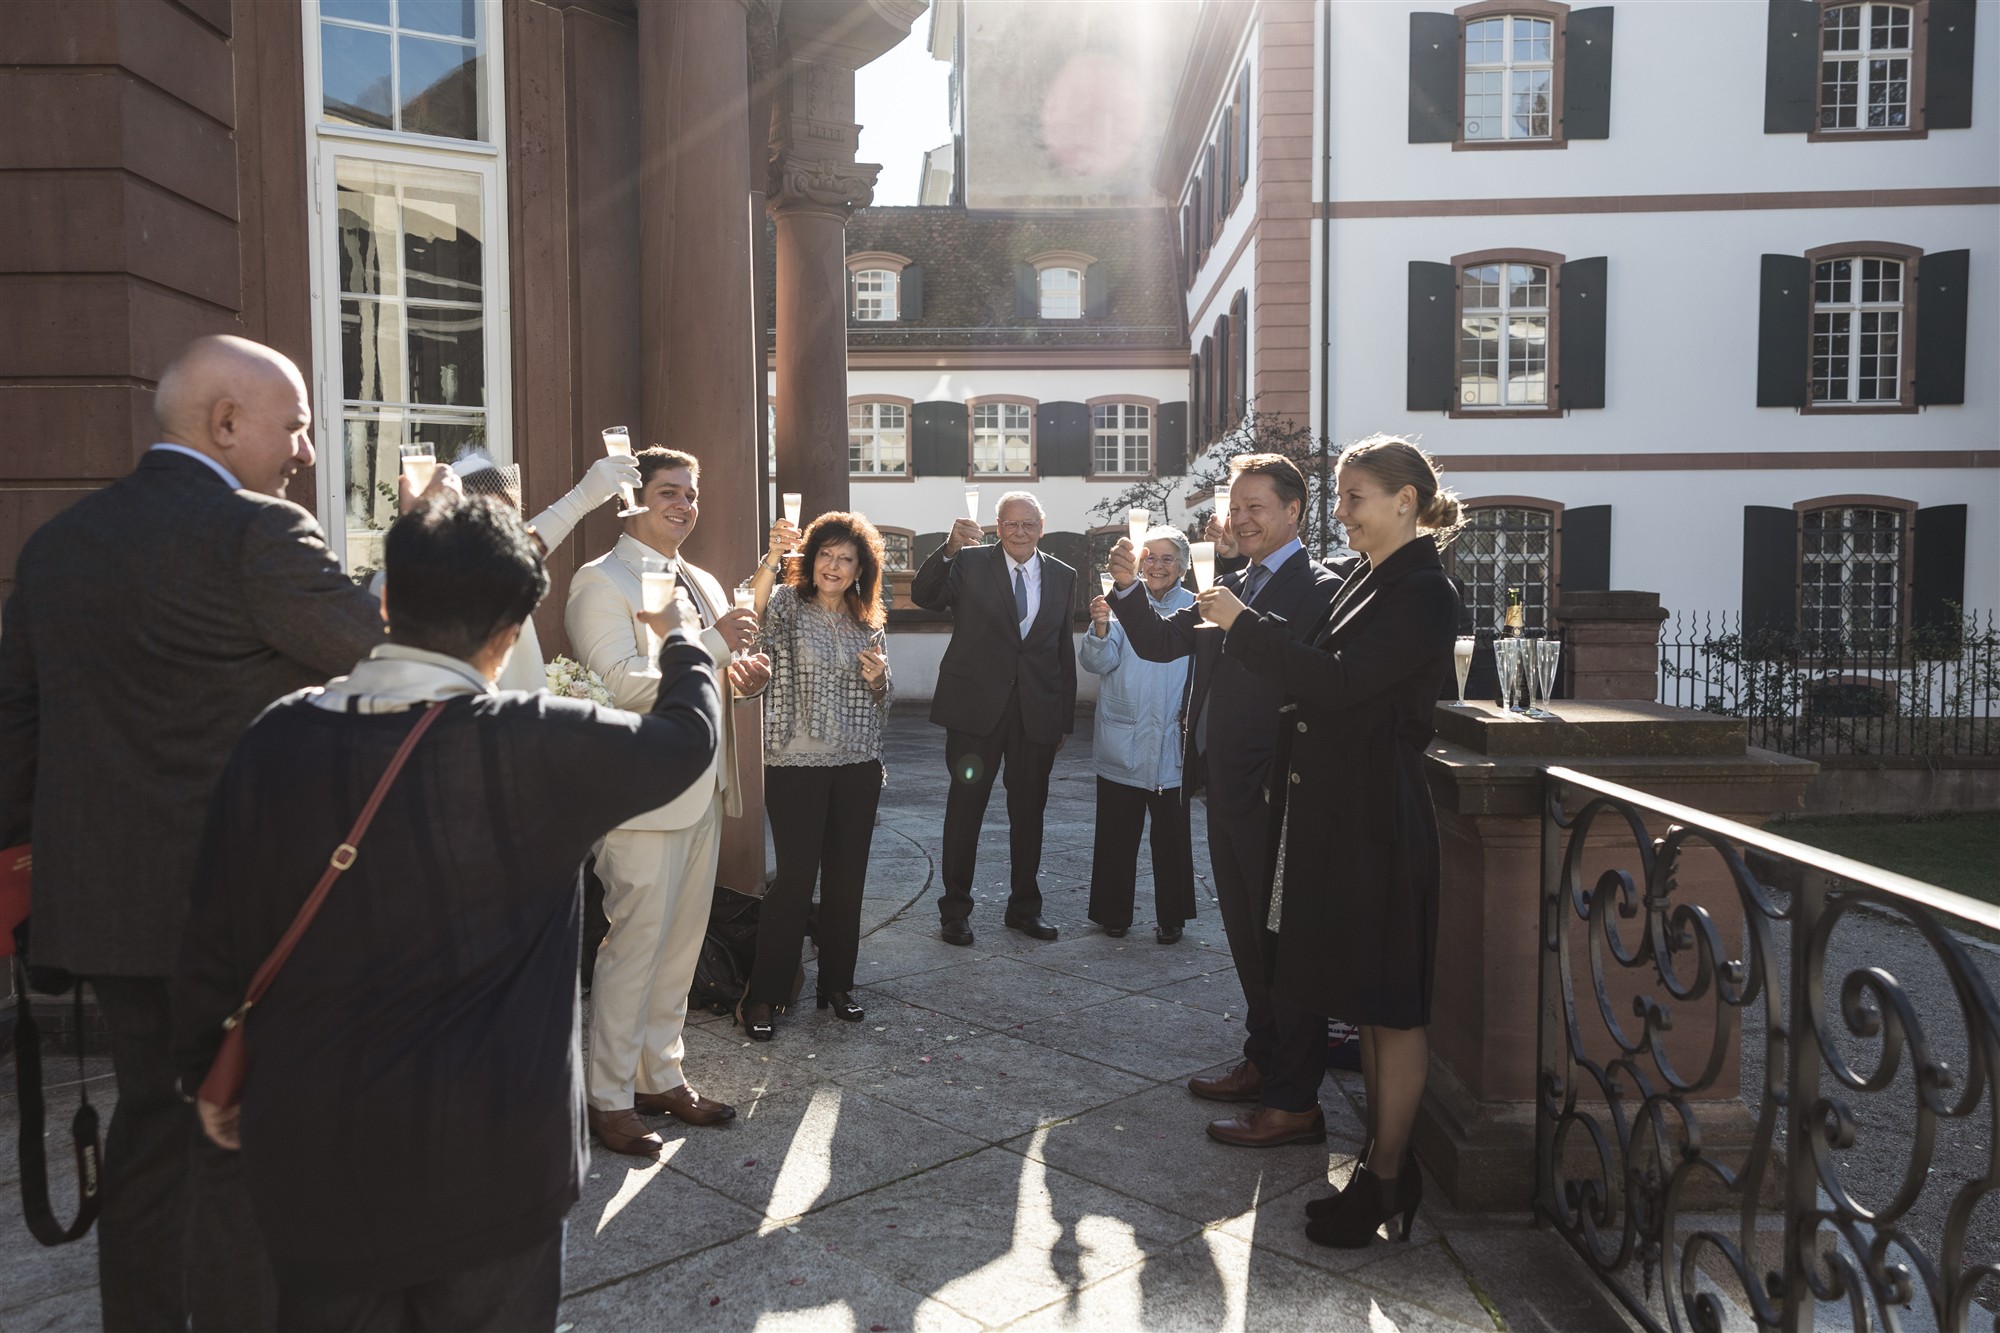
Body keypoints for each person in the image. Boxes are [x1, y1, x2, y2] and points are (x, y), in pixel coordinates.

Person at [173, 496, 722, 1329]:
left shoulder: (275, 738)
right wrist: (680, 636)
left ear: (385, 599)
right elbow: (687, 741)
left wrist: (203, 1064)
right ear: (513, 625)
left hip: (314, 1148)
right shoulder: (537, 738)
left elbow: (212, 937)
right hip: (493, 1164)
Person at [0, 334, 410, 1329]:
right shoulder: (258, 534)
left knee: (153, 1129)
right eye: (297, 423)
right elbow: (389, 662)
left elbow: (17, 729)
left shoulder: (56, 545)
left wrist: (31, 882)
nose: (306, 450)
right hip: (254, 924)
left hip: (110, 919)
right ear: (224, 424)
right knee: (249, 1151)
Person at [1196, 435, 1461, 1248]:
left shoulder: (1423, 590)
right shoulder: (1373, 579)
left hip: (1382, 818)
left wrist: (1244, 627)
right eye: (1341, 497)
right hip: (1346, 813)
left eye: (1353, 498)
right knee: (1376, 1008)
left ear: (1406, 502)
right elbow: (1324, 672)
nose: (1340, 512)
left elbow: (1340, 683)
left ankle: (1388, 1172)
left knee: (1396, 1010)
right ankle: (1379, 1171)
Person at [1106, 453, 1345, 1149]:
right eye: (1234, 508)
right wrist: (1127, 587)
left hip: (1279, 795)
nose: (1239, 519)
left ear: (1294, 511)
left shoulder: (1319, 586)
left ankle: (1294, 1101)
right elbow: (1156, 642)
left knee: (1283, 944)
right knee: (1246, 937)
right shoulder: (1228, 582)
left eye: (1255, 507)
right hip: (1224, 788)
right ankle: (1264, 1060)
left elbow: (1316, 683)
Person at [564, 446, 768, 1156]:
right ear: (631, 500)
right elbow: (620, 682)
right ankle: (608, 1095)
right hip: (641, 796)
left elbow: (701, 676)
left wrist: (739, 674)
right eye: (666, 493)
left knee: (680, 947)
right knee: (634, 945)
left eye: (690, 493)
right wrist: (712, 641)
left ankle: (661, 1074)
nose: (683, 505)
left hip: (704, 784)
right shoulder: (600, 581)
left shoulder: (701, 577)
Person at [739, 510, 893, 1039]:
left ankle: (837, 984)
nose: (834, 565)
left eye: (845, 558)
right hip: (793, 761)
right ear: (811, 559)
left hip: (857, 763)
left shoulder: (869, 618)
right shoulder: (785, 604)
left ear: (859, 569)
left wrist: (879, 680)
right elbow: (748, 617)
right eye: (825, 554)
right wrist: (769, 560)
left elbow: (882, 700)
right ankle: (764, 996)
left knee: (848, 880)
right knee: (795, 881)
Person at [909, 491, 1076, 946]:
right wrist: (947, 549)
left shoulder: (1063, 575)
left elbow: (1062, 648)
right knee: (965, 811)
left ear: (1042, 527)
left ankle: (1024, 909)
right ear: (997, 526)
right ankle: (955, 911)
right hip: (974, 710)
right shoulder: (969, 561)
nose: (1019, 532)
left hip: (1035, 713)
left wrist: (1064, 718)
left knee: (1029, 814)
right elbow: (925, 595)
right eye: (1010, 524)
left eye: (1028, 525)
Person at [1080, 526, 1196, 944]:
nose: (1158, 565)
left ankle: (1173, 916)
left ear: (1182, 565)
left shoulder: (1196, 608)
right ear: (1137, 562)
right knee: (1115, 833)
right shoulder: (1120, 602)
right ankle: (1113, 913)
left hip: (1171, 741)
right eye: (1150, 557)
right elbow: (1098, 664)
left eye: (1168, 558)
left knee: (1172, 837)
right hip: (1123, 735)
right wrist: (1098, 629)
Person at [445, 447, 642, 692]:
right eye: (486, 511)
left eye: (505, 508)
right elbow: (519, 549)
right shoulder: (458, 574)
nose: (499, 520)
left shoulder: (504, 571)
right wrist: (581, 498)